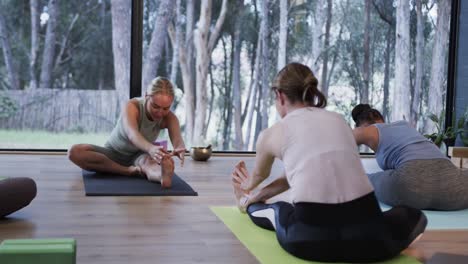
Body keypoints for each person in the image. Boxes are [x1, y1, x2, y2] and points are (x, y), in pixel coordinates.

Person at [231, 63, 426, 263]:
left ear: (280, 96)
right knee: (412, 214)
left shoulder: (271, 134)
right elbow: (299, 172)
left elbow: (258, 176)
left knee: (277, 209)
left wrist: (247, 191)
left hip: (308, 241)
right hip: (370, 239)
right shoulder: (339, 120)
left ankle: (245, 203)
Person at [68, 77, 186, 188]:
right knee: (74, 152)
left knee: (148, 163)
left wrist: (179, 148)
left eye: (166, 108)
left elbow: (177, 140)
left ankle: (161, 176)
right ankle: (127, 171)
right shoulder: (132, 106)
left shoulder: (170, 118)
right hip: (112, 153)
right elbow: (132, 135)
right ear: (146, 96)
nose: (160, 112)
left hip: (139, 156)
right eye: (155, 106)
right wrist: (151, 148)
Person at [352, 103, 468, 210]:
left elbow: (341, 138)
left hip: (409, 187)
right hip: (454, 188)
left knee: (363, 178)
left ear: (362, 126)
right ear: (382, 119)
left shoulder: (368, 130)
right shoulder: (404, 126)